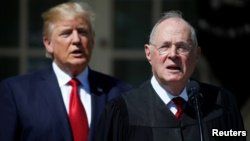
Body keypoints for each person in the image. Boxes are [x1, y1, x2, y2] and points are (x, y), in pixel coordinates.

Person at [95, 11, 245, 141]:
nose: (173, 55)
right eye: (164, 47)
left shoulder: (222, 104)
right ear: (148, 53)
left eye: (182, 47)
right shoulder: (121, 112)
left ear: (197, 54)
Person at [0, 2, 131, 141]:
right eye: (66, 33)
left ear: (92, 40)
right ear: (48, 43)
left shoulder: (120, 93)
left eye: (82, 32)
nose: (76, 40)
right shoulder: (17, 92)